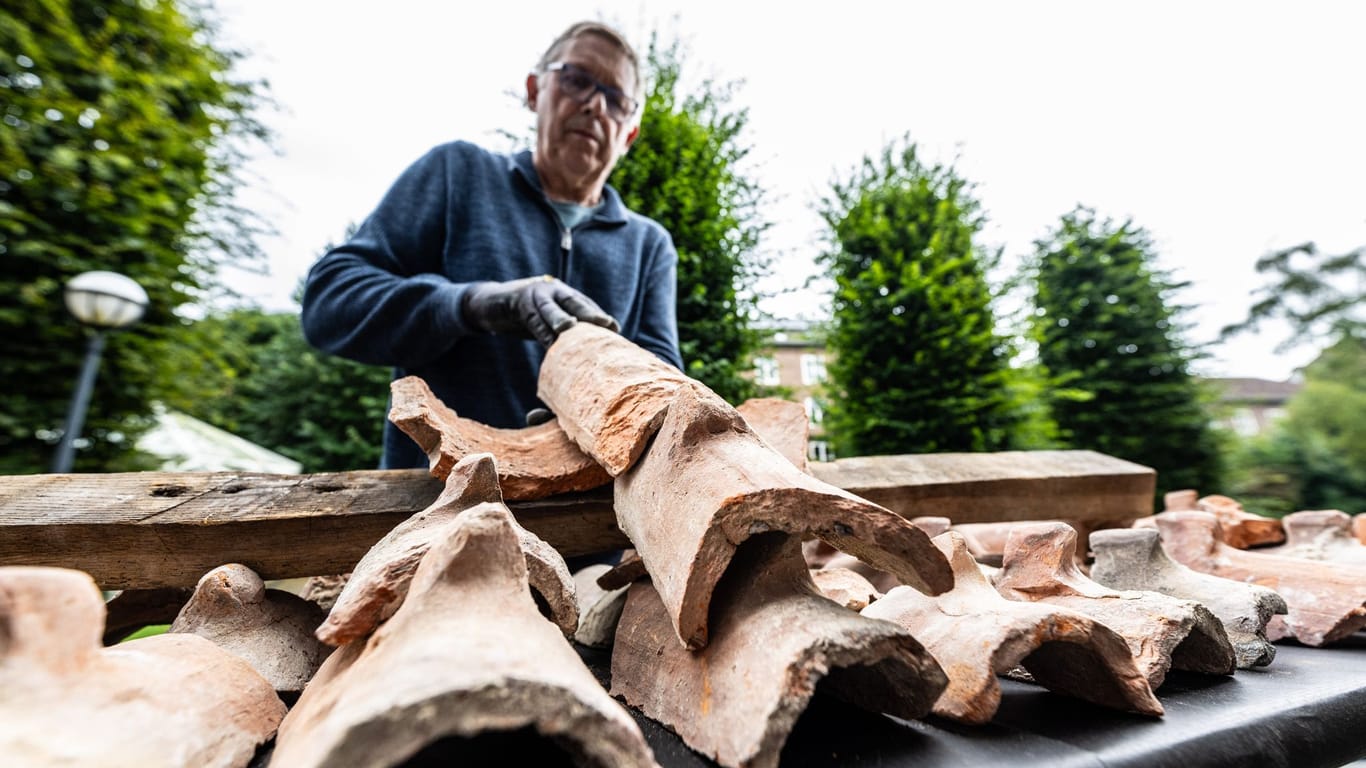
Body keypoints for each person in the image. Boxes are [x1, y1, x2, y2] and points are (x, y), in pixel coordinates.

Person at [301, 21, 683, 470]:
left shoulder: (649, 245)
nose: (595, 105)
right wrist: (471, 304)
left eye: (616, 100)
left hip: (581, 532)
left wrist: (591, 403)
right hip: (435, 520)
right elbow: (329, 302)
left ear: (629, 135)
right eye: (577, 80)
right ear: (534, 90)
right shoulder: (458, 173)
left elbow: (664, 387)